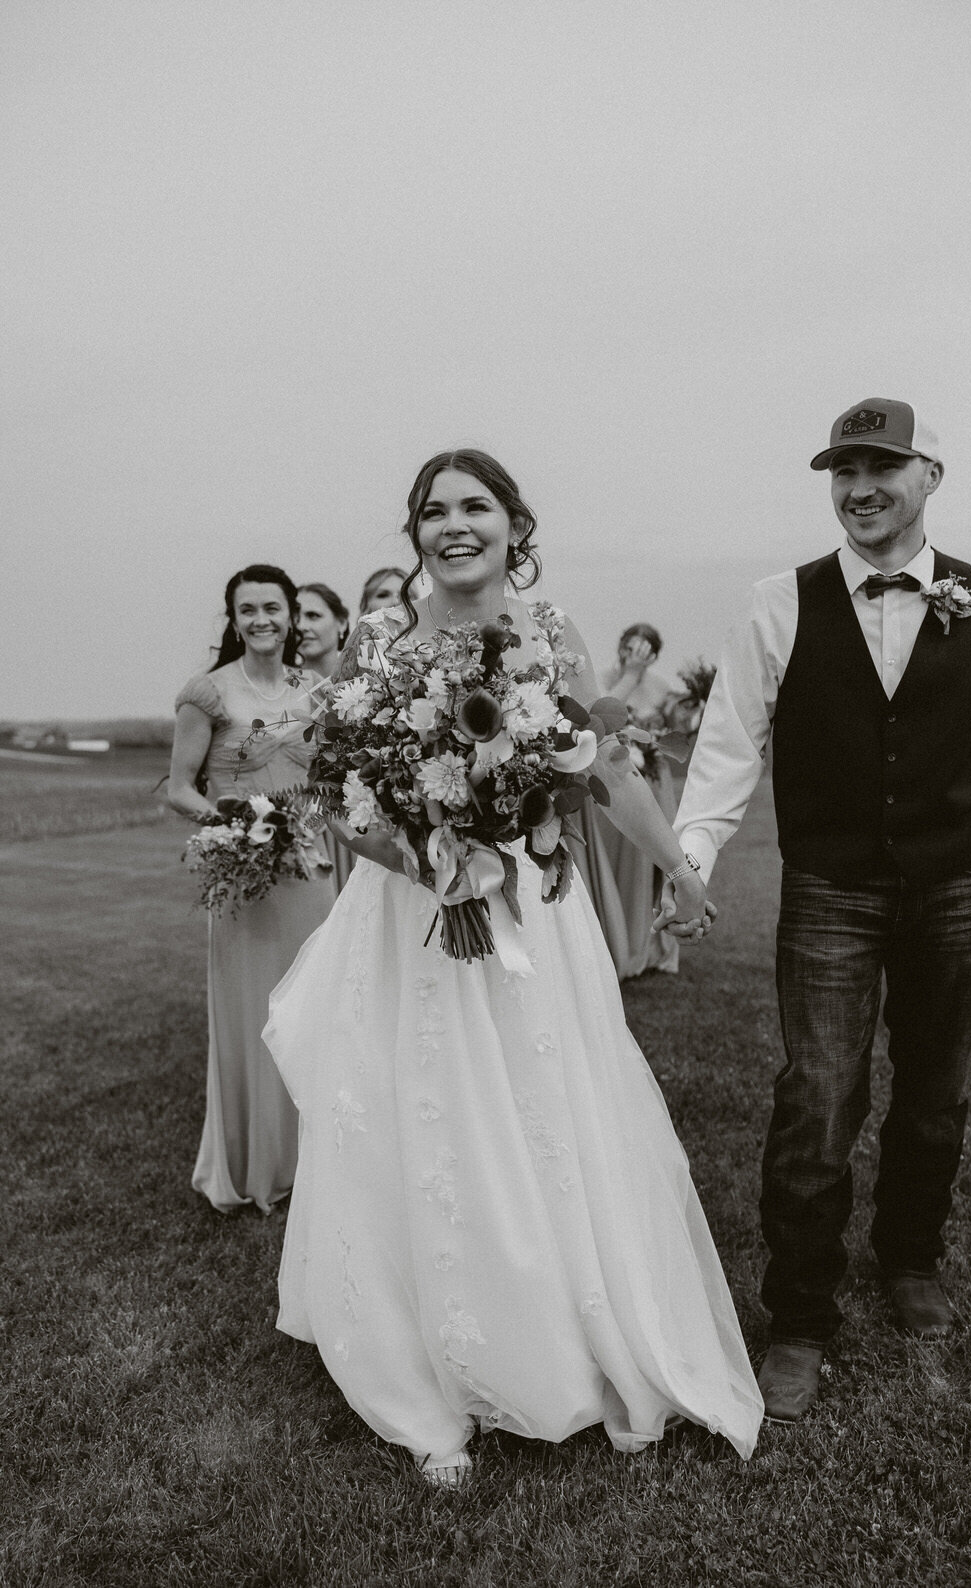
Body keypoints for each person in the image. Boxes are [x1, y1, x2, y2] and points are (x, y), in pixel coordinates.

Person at [263, 450, 763, 1484]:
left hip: (535, 908)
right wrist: (419, 853)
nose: (456, 525)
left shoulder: (549, 632)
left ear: (512, 523)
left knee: (548, 1110)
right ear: (415, 534)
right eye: (434, 511)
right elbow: (347, 801)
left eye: (476, 507)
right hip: (414, 918)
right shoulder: (383, 647)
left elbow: (600, 766)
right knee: (433, 1114)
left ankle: (562, 1333)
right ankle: (436, 1362)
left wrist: (677, 863)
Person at [670, 399, 971, 1422]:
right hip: (831, 887)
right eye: (843, 469)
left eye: (883, 466)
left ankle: (910, 1257)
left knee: (937, 1091)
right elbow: (726, 750)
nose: (860, 488)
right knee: (818, 1099)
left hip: (952, 884)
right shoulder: (778, 603)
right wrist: (693, 860)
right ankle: (800, 1315)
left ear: (931, 475)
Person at [168, 564, 336, 1213]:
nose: (261, 619)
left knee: (313, 1015)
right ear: (233, 619)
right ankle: (252, 1166)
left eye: (273, 607)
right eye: (248, 610)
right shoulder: (207, 693)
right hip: (243, 884)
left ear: (293, 614)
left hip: (309, 877)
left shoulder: (317, 691)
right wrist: (234, 824)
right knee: (254, 1019)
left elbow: (327, 781)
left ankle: (313, 1159)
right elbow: (181, 786)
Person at [590, 624, 680, 977]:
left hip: (652, 783)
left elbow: (675, 728)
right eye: (630, 646)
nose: (635, 654)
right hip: (613, 784)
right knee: (615, 864)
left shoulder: (661, 686)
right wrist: (630, 675)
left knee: (653, 864)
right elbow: (601, 718)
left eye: (644, 650)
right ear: (621, 646)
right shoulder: (603, 678)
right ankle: (614, 941)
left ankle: (650, 945)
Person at [297, 582, 354, 892]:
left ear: (342, 622)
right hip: (305, 829)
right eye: (297, 618)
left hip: (360, 828)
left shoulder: (367, 681)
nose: (303, 626)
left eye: (313, 615)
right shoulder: (284, 695)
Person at [297, 582, 350, 681]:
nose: (301, 626)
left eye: (313, 615)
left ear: (342, 623)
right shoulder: (279, 685)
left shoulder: (367, 678)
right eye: (295, 618)